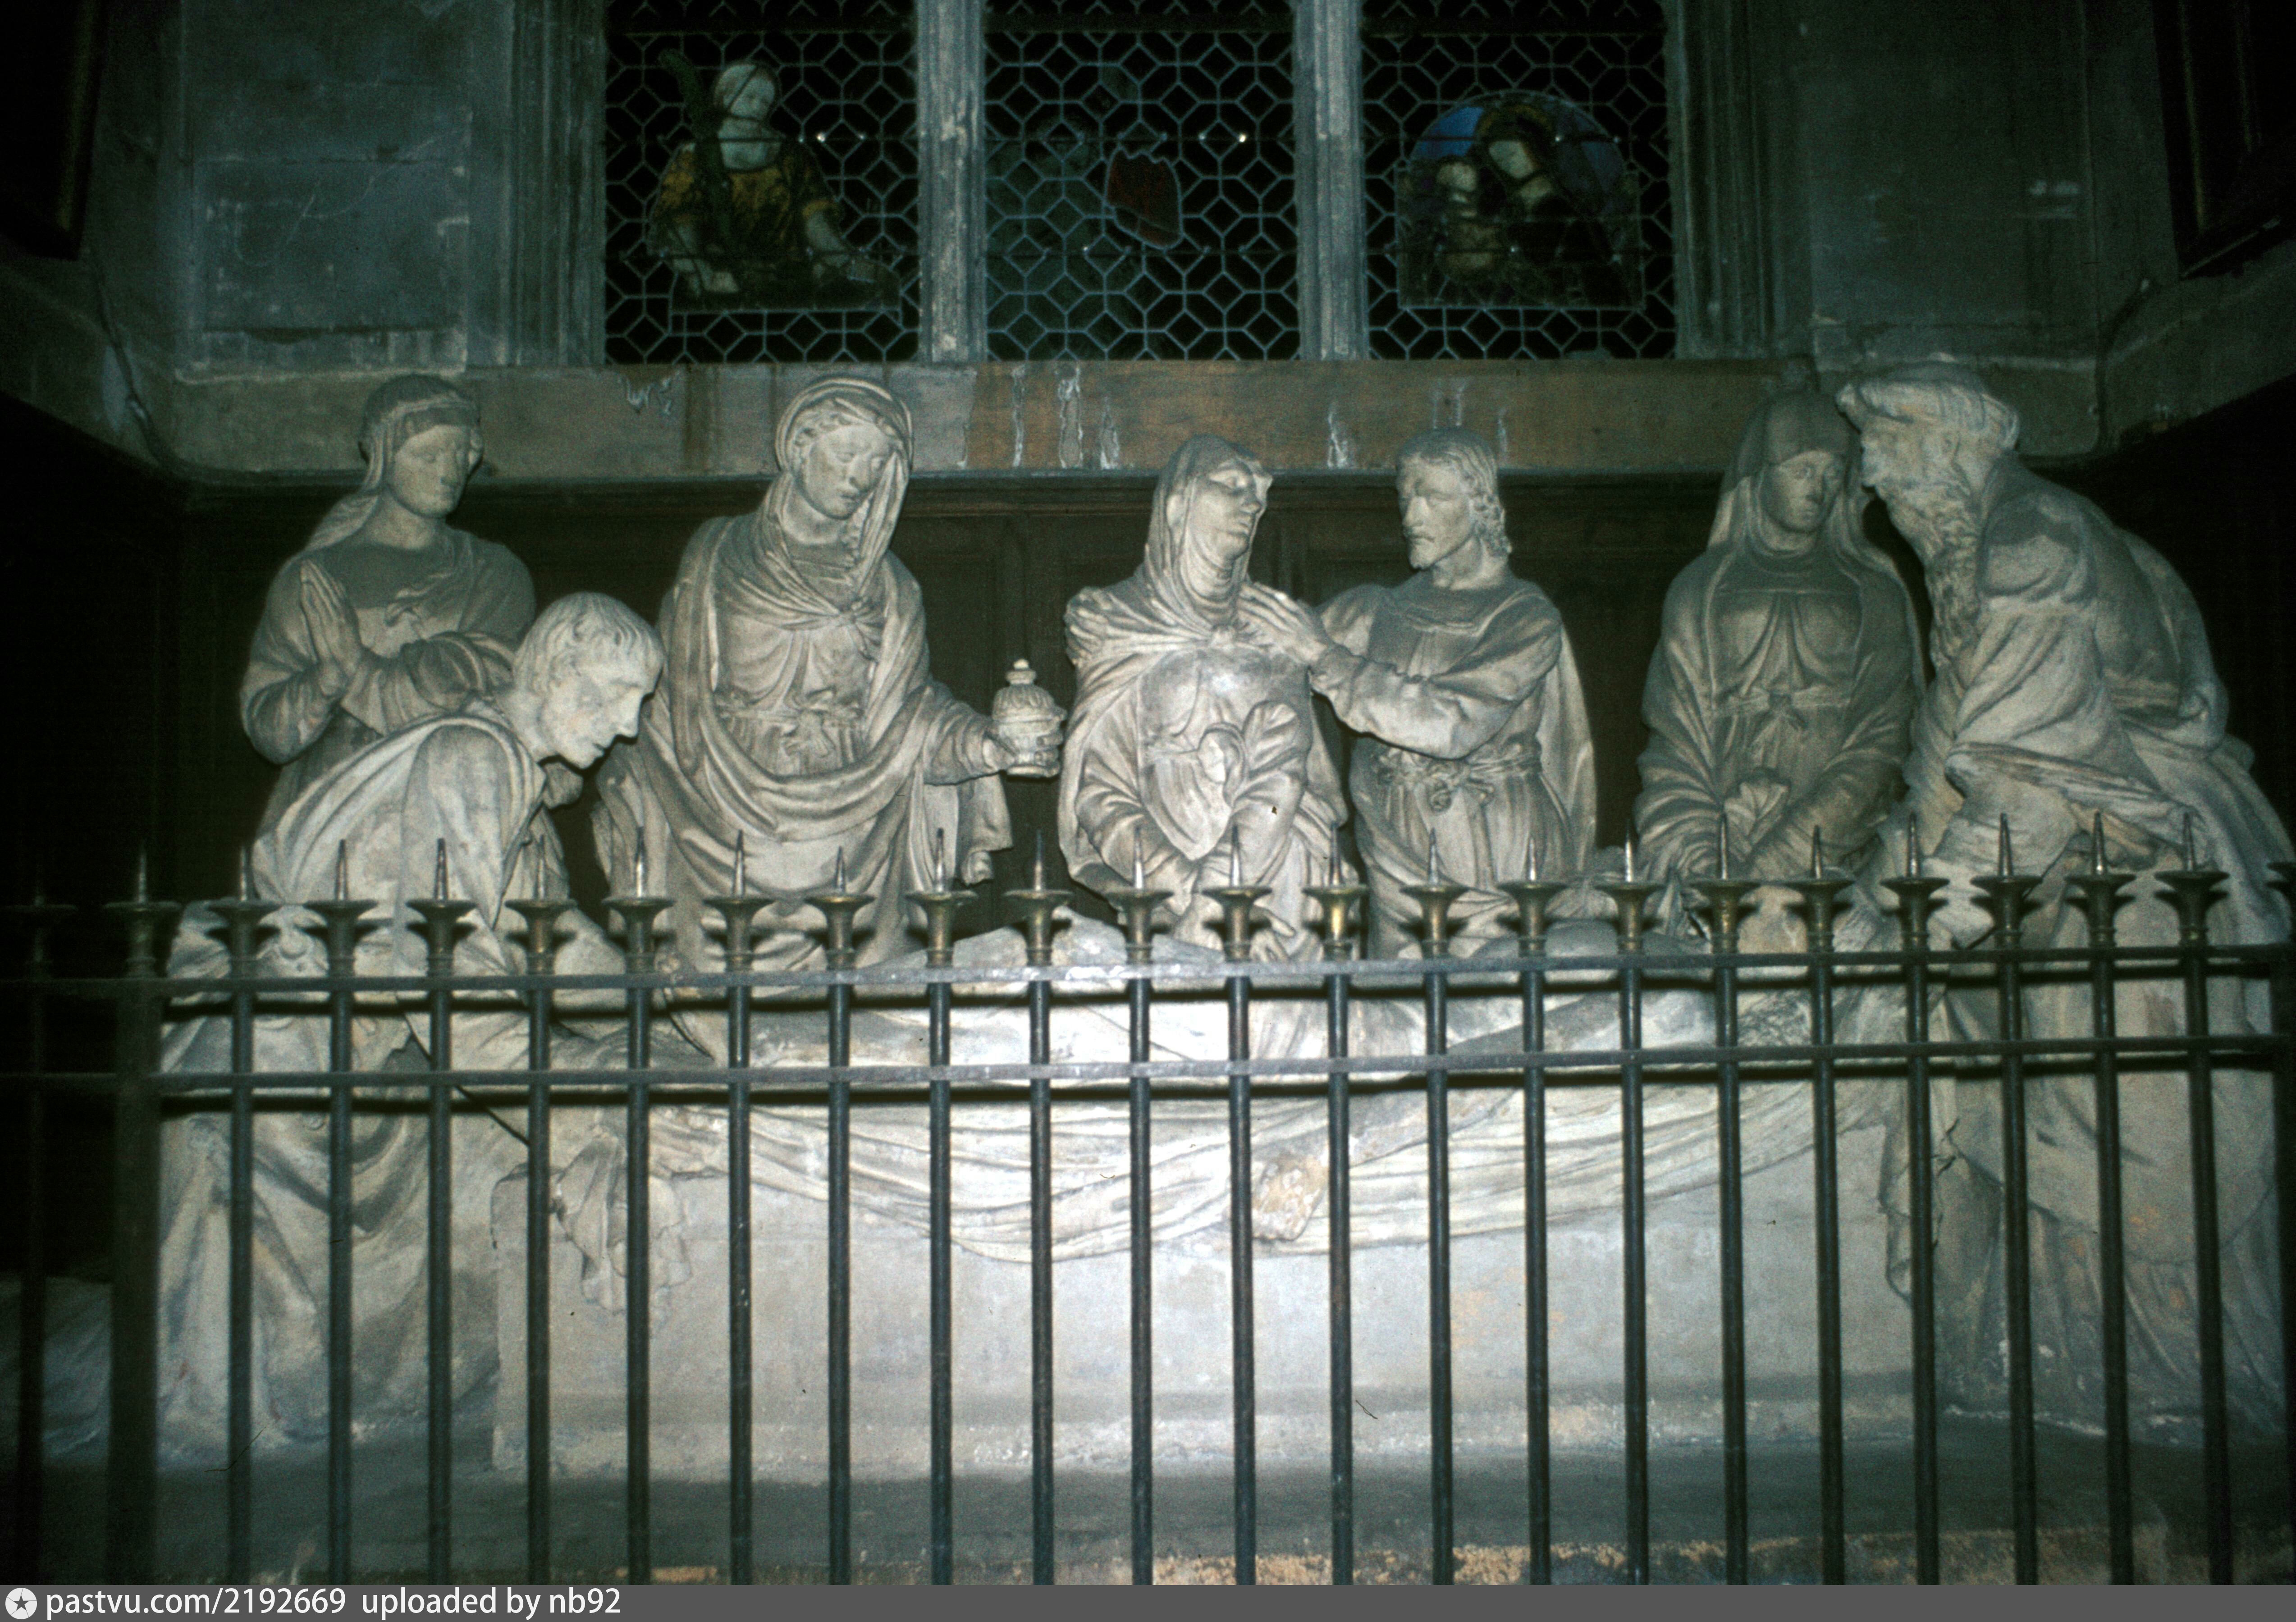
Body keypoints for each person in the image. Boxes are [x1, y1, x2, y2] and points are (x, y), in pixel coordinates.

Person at [1839, 361, 2293, 1432]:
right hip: (2053, 864)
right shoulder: (1979, 554)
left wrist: (1926, 927)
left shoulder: (2032, 541)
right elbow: (1945, 763)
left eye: (1888, 454)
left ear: (1952, 448)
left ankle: (2166, 1375)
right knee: (2015, 1076)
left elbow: (2023, 784)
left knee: (2110, 1104)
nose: (1876, 482)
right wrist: (1872, 898)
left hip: (2135, 875)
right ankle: (2050, 1358)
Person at [156, 593, 665, 1455]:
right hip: (290, 1049)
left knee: (491, 1164)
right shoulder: (473, 755)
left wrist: (670, 1000)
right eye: (613, 694)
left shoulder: (511, 779)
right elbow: (447, 968)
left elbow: (548, 940)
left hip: (362, 1046)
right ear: (551, 669)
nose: (626, 725)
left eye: (639, 703)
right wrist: (571, 1108)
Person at [594, 377, 1046, 1005]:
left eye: (877, 462)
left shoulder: (889, 585)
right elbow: (674, 692)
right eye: (846, 453)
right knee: (720, 1012)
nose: (860, 476)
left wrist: (984, 742)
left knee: (855, 1022)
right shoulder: (718, 554)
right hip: (717, 810)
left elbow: (910, 716)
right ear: (800, 447)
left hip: (854, 819)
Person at [1237, 429, 1594, 954]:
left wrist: (1327, 659)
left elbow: (1451, 724)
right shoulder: (1376, 611)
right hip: (1397, 845)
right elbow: (1259, 652)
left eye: (1433, 497)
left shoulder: (1524, 617)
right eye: (1406, 497)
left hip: (1495, 845)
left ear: (1478, 504)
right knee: (1404, 993)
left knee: (1500, 991)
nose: (1411, 516)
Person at [1061, 435, 1346, 961]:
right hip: (1168, 905)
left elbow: (1284, 776)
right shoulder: (1119, 624)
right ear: (1178, 505)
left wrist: (1221, 894)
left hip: (1285, 890)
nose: (1251, 504)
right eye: (1232, 486)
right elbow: (1102, 794)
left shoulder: (1274, 630)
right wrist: (1191, 893)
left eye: (1257, 495)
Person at [1634, 390, 1921, 896]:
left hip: (1839, 841)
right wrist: (1703, 852)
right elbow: (1676, 736)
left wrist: (1790, 847)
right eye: (1801, 470)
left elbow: (1885, 732)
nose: (1819, 489)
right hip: (1718, 827)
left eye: (1833, 473)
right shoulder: (1700, 589)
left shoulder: (1872, 589)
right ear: (1758, 475)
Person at [240, 375, 536, 833]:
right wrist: (325, 680)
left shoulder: (493, 573)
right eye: (428, 455)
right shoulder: (315, 577)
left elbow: (488, 694)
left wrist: (359, 669)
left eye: (460, 454)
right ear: (382, 456)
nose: (449, 472)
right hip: (332, 813)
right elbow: (268, 727)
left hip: (451, 810)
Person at [650, 59, 893, 305]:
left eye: (766, 101)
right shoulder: (695, 157)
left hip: (786, 279)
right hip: (722, 282)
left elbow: (815, 219)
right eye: (750, 97)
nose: (758, 107)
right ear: (725, 97)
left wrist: (846, 261)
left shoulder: (791, 156)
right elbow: (679, 223)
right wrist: (704, 274)